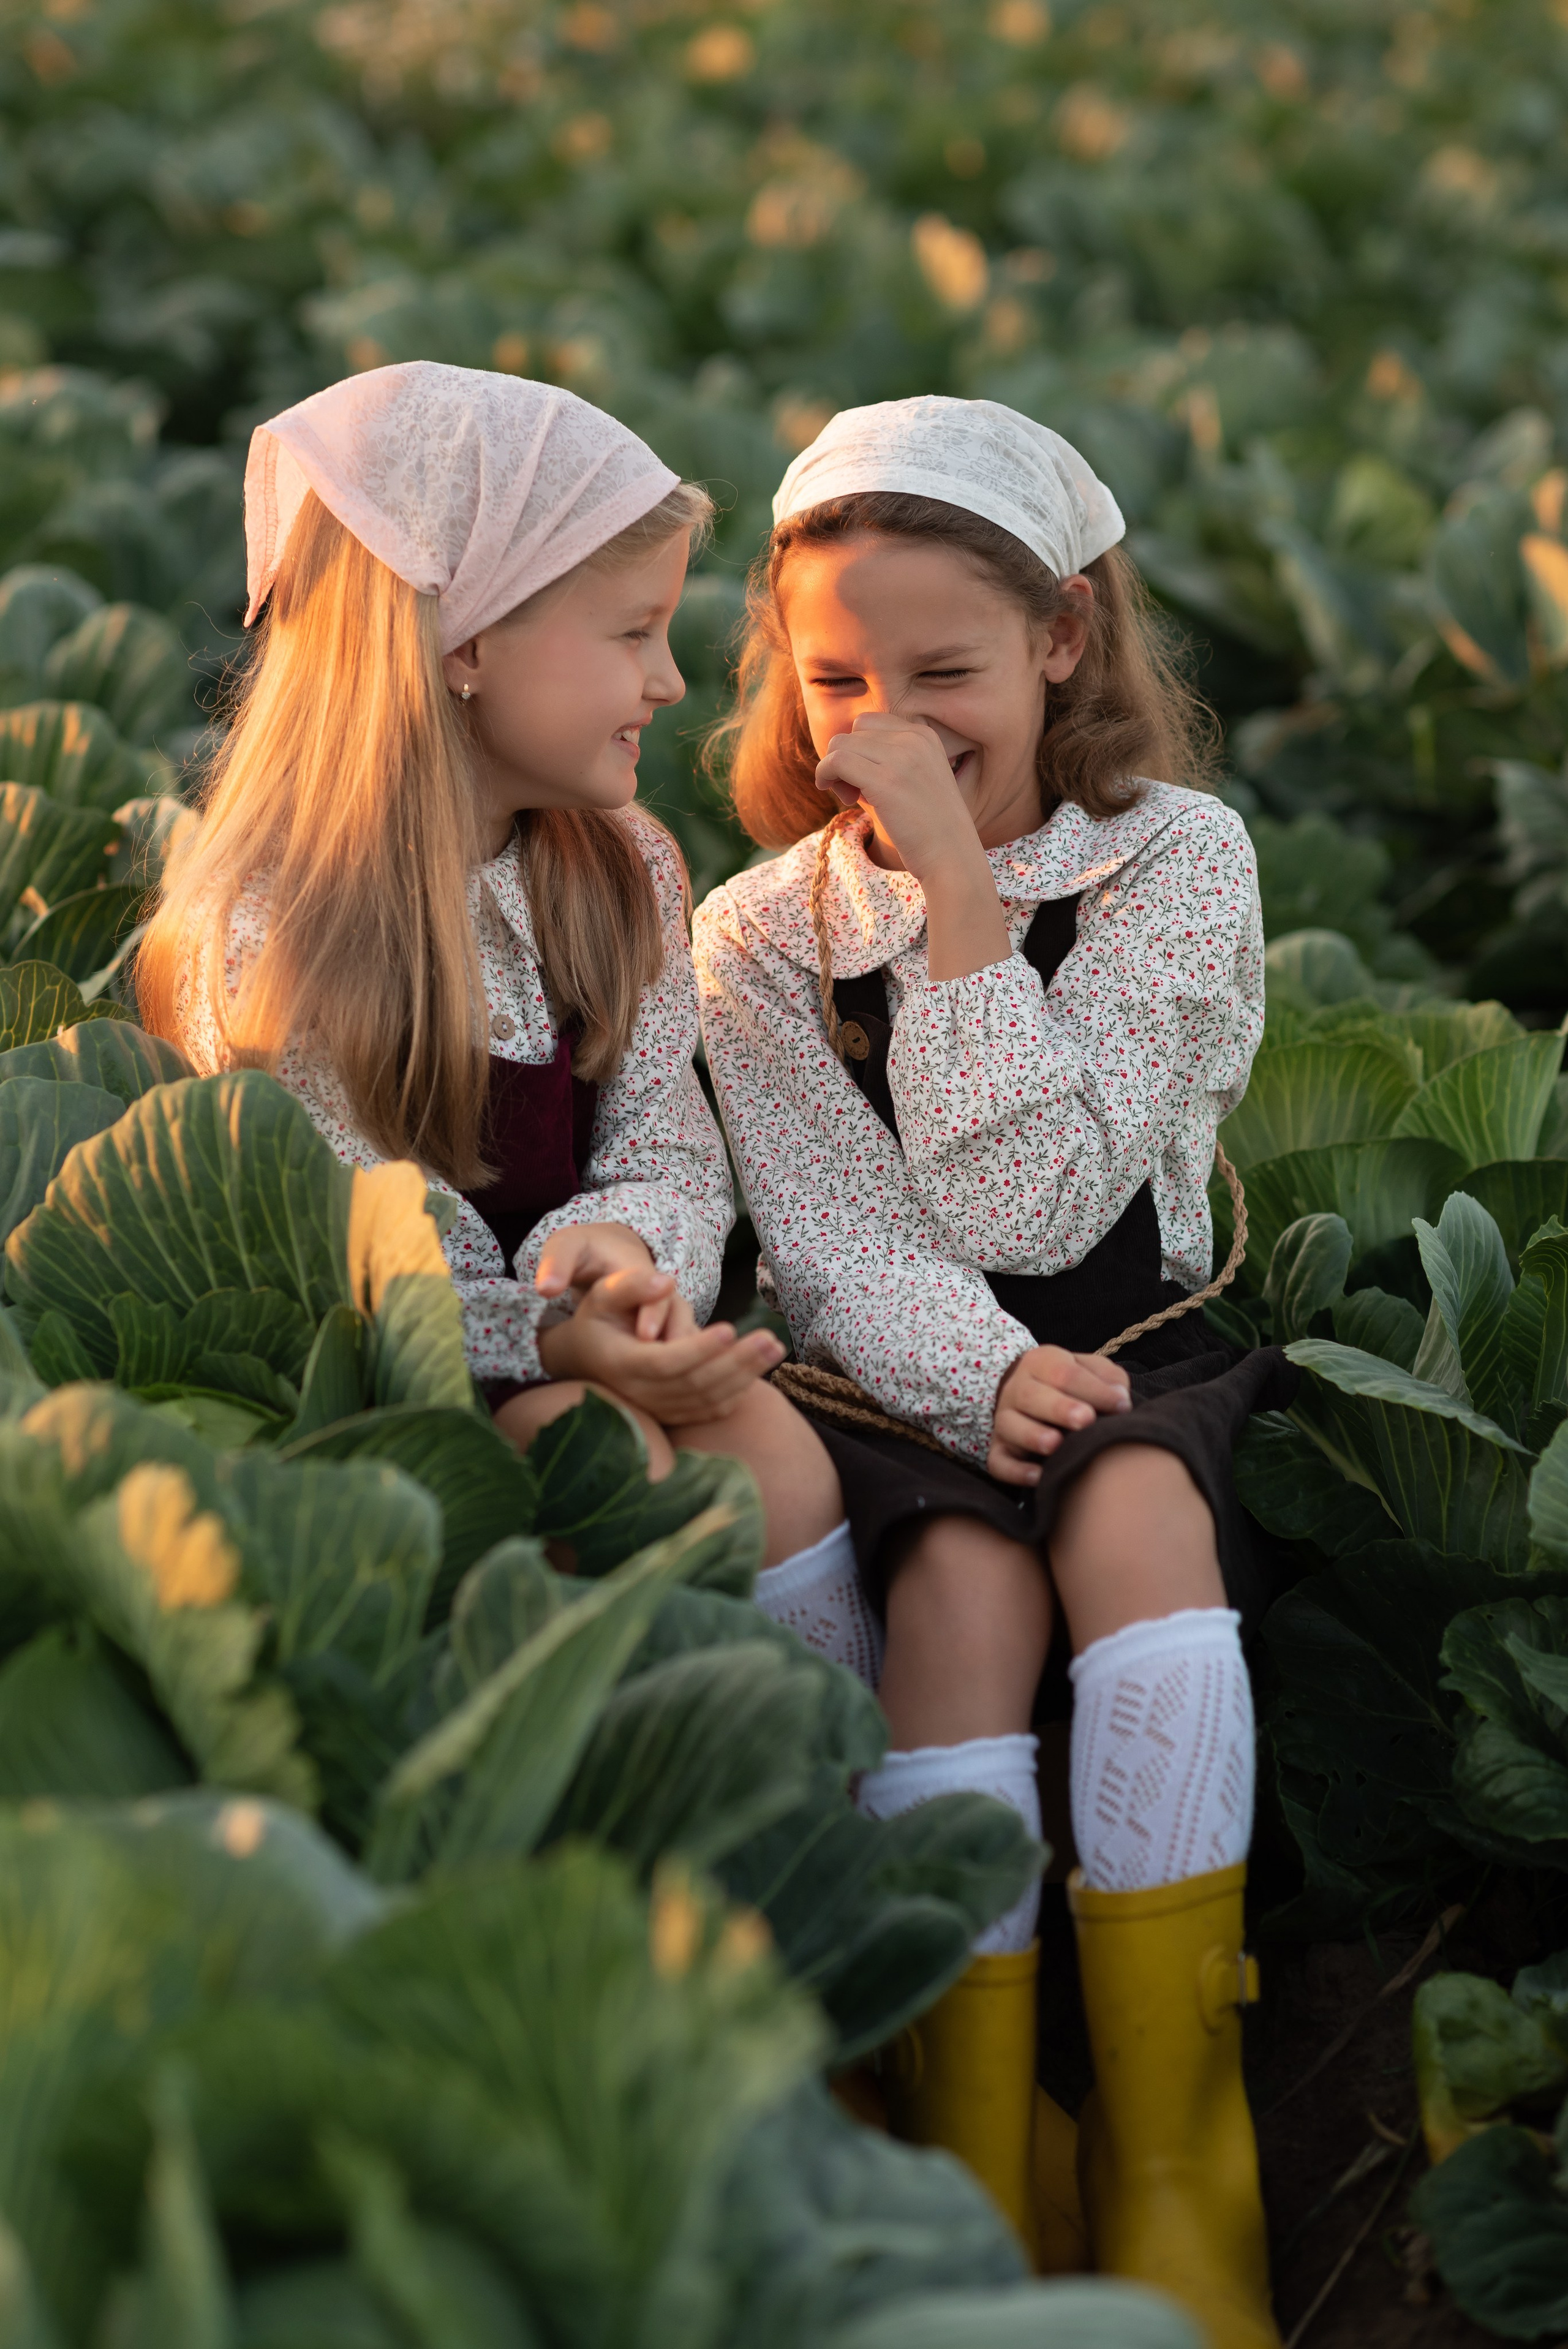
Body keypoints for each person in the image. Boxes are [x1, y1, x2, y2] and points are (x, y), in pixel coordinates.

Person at [693, 394, 1295, 2348]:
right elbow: (834, 1236)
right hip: (899, 1377)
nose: (887, 720)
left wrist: (958, 892)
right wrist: (974, 1380)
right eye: (838, 679)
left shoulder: (1177, 863)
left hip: (1136, 1339)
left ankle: (1179, 2159)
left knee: (1132, 1525)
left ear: (1061, 636)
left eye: (943, 671)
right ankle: (973, 2155)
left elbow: (1041, 1197)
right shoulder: (758, 932)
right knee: (957, 1587)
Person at [137, 360, 844, 1583]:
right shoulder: (268, 929)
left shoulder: (621, 866)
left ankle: (824, 1717)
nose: (670, 681)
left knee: (778, 1455)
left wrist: (620, 1259)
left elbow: (669, 1150)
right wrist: (554, 1336)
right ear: (465, 642)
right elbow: (370, 1258)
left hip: (588, 1330)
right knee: (604, 1458)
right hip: (390, 1385)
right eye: (632, 632)